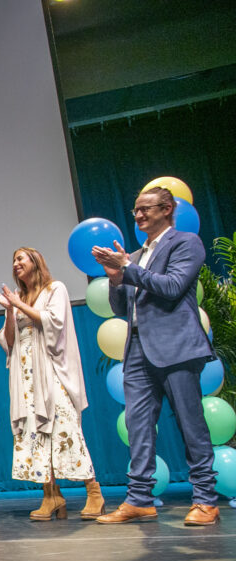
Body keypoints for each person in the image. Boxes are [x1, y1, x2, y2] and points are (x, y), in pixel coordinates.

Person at [92, 187, 220, 525]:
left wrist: (128, 268)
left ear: (167, 209)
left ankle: (206, 500)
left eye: (145, 209)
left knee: (191, 425)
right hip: (137, 351)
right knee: (138, 427)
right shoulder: (134, 255)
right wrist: (116, 277)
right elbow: (122, 307)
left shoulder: (185, 242)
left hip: (176, 348)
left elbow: (172, 287)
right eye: (135, 210)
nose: (138, 216)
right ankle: (139, 499)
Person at [0, 248, 104, 520]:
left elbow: (54, 322)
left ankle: (94, 493)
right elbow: (9, 341)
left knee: (65, 426)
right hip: (25, 373)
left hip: (50, 369)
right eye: (13, 259)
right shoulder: (20, 299)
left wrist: (18, 305)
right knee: (34, 430)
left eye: (21, 258)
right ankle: (51, 495)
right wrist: (9, 311)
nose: (16, 263)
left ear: (36, 262)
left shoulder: (56, 289)